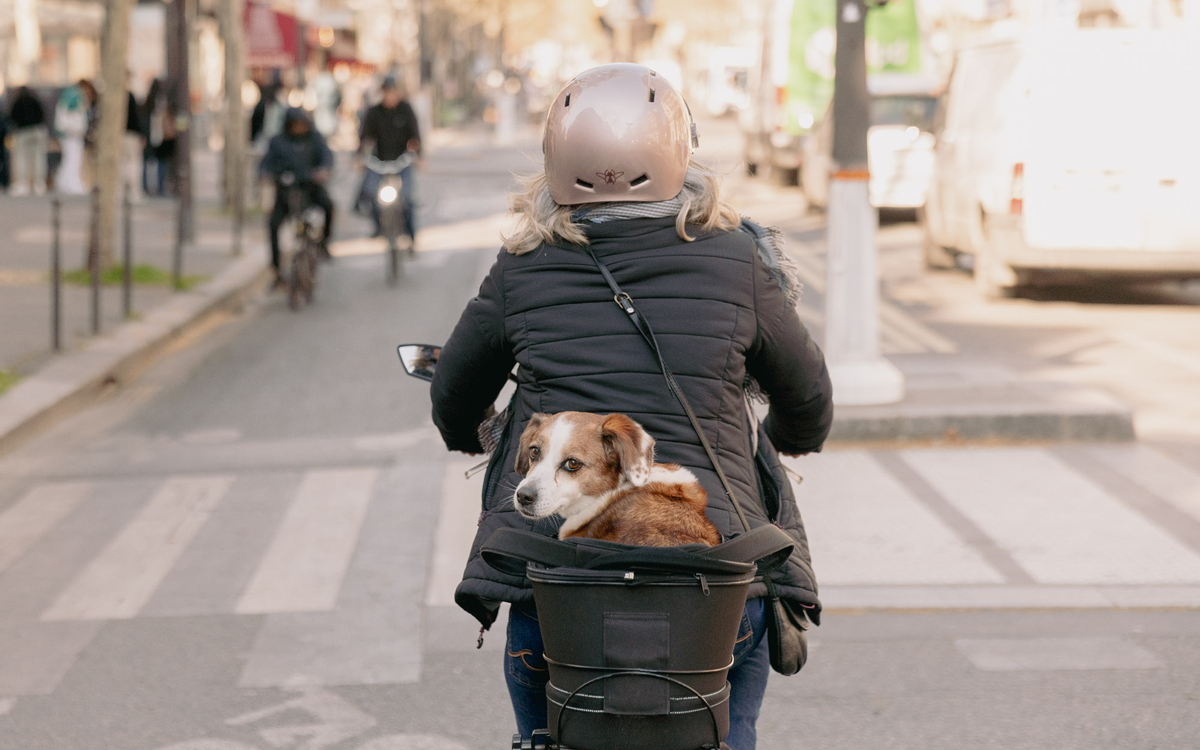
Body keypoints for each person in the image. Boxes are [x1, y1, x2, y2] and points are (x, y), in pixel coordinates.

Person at [429, 64, 833, 750]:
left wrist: (476, 433)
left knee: (547, 735)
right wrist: (783, 436)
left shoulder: (523, 265)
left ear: (557, 159)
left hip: (556, 586)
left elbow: (454, 397)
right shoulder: (738, 260)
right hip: (718, 576)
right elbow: (808, 398)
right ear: (678, 151)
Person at [259, 107, 334, 283]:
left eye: (302, 125)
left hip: (310, 190)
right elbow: (265, 163)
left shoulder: (315, 139)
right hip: (286, 192)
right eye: (295, 125)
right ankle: (277, 269)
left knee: (329, 206)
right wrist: (265, 174)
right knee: (273, 225)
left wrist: (323, 170)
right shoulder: (277, 141)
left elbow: (327, 156)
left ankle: (324, 243)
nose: (299, 128)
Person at [357, 75, 420, 243]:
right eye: (387, 92)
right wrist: (359, 156)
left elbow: (415, 135)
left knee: (407, 198)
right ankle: (378, 226)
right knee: (370, 193)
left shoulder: (405, 109)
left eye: (392, 92)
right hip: (379, 162)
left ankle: (411, 236)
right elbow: (364, 137)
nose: (390, 96)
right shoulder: (374, 111)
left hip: (402, 161)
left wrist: (419, 156)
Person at [8, 86, 48, 196]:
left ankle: (23, 182)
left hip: (23, 132)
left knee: (22, 158)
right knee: (38, 158)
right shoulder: (35, 100)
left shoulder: (17, 101)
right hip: (37, 131)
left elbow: (12, 117)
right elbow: (43, 115)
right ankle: (38, 183)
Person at [54, 81, 91, 195]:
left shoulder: (67, 97)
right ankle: (70, 183)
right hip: (72, 134)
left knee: (70, 159)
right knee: (73, 159)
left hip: (70, 134)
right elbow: (74, 118)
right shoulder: (74, 98)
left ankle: (66, 182)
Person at [123, 79, 145, 203]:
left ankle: (121, 192)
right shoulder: (129, 96)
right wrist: (140, 134)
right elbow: (135, 117)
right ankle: (133, 192)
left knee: (122, 163)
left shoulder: (116, 97)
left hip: (120, 135)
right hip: (131, 134)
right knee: (133, 164)